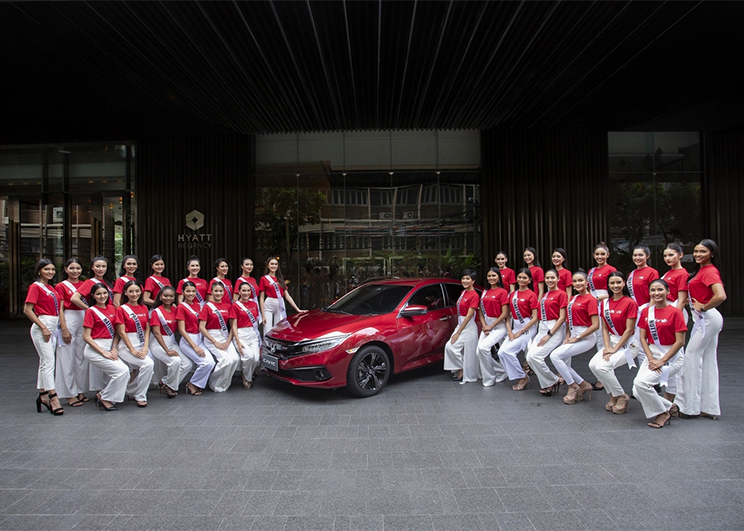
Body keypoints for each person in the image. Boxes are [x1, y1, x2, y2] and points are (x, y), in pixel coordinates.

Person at [674, 239, 727, 420]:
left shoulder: (709, 271)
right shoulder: (703, 271)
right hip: (706, 319)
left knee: (691, 357)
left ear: (712, 253)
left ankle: (688, 406)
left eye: (702, 251)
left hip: (707, 318)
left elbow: (721, 295)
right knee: (708, 360)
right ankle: (709, 407)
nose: (697, 254)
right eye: (696, 251)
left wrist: (703, 307)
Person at [633, 279, 686, 428]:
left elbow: (680, 342)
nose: (657, 293)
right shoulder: (645, 312)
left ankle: (662, 413)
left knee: (641, 383)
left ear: (668, 292)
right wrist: (650, 358)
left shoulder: (676, 312)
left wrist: (662, 361)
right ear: (649, 293)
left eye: (660, 290)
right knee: (637, 391)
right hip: (652, 356)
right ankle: (669, 406)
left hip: (672, 357)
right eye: (653, 290)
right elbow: (642, 338)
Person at [588, 271, 639, 414]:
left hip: (628, 345)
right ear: (608, 285)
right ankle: (614, 394)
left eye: (618, 282)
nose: (615, 285)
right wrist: (607, 347)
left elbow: (629, 330)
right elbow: (604, 327)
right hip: (612, 343)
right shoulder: (605, 303)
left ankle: (621, 396)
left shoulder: (630, 303)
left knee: (603, 368)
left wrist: (615, 349)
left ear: (624, 283)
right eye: (612, 283)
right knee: (593, 365)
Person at [550, 270, 599, 404]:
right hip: (573, 334)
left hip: (586, 337)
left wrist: (577, 338)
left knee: (555, 356)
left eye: (580, 281)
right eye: (575, 281)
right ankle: (582, 384)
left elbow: (595, 325)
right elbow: (569, 321)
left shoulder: (591, 300)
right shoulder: (573, 298)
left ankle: (573, 386)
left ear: (587, 283)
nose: (577, 283)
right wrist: (568, 336)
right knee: (560, 359)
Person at [24, 259, 64, 416]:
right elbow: (28, 310)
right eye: (47, 269)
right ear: (39, 270)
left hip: (52, 325)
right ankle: (53, 397)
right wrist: (43, 327)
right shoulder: (35, 287)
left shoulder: (50, 288)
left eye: (53, 269)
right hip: (43, 324)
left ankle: (43, 395)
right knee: (49, 363)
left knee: (44, 362)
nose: (50, 272)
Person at [70, 256, 115, 393]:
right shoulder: (89, 282)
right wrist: (89, 309)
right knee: (98, 353)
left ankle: (108, 388)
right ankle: (98, 390)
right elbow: (74, 298)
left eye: (103, 266)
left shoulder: (109, 283)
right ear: (92, 268)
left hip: (110, 318)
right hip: (98, 320)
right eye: (97, 266)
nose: (100, 269)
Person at [82, 283, 128, 411]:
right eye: (98, 294)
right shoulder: (91, 311)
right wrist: (103, 352)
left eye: (104, 293)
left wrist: (114, 348)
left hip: (110, 347)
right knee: (121, 371)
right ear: (93, 296)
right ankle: (105, 397)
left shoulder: (113, 309)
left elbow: (117, 332)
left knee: (124, 370)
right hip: (95, 349)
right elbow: (86, 336)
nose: (102, 296)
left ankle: (104, 395)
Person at [525, 269, 567, 396]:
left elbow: (562, 317)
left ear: (558, 279)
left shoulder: (562, 294)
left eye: (552, 278)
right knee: (529, 357)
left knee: (535, 357)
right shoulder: (545, 295)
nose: (549, 280)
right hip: (542, 328)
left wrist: (550, 334)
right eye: (547, 278)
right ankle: (549, 381)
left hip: (553, 329)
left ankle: (551, 381)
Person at [496, 268, 539, 391]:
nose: (521, 280)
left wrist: (520, 332)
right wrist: (509, 330)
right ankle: (520, 375)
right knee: (501, 352)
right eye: (519, 277)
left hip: (528, 328)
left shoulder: (532, 295)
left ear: (530, 280)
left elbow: (535, 318)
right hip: (515, 328)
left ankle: (522, 377)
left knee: (508, 352)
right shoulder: (513, 295)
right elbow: (508, 315)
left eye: (525, 278)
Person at [55, 258, 90, 407]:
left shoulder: (85, 284)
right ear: (65, 269)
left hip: (83, 317)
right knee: (66, 357)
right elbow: (60, 309)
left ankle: (80, 390)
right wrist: (64, 328)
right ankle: (69, 393)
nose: (75, 271)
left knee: (81, 357)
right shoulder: (61, 286)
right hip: (69, 317)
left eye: (78, 268)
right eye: (72, 268)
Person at [149, 286, 194, 398]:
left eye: (171, 296)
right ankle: (171, 387)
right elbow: (156, 333)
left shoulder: (175, 310)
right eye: (165, 295)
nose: (168, 298)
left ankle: (165, 381)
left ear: (174, 297)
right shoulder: (156, 312)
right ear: (160, 296)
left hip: (171, 342)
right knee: (175, 362)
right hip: (159, 343)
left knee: (187, 364)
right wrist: (167, 350)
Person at [115, 280, 154, 407]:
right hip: (126, 346)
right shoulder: (121, 309)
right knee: (148, 365)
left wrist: (145, 346)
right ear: (125, 292)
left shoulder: (143, 307)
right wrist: (132, 350)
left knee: (149, 368)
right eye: (131, 291)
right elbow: (121, 332)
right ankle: (140, 395)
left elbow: (147, 328)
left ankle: (129, 390)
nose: (134, 294)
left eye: (137, 291)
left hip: (141, 343)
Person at [660, 242, 689, 402]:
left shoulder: (682, 274)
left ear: (680, 255)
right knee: (668, 352)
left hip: (675, 313)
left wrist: (674, 317)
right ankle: (671, 394)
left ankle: (675, 397)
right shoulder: (668, 273)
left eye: (671, 255)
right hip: (667, 312)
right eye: (665, 255)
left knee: (676, 353)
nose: (668, 258)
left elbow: (682, 299)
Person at [176, 281, 215, 396]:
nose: (191, 293)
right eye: (188, 291)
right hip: (188, 341)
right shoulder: (181, 307)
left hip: (199, 339)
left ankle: (194, 383)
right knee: (204, 363)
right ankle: (192, 384)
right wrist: (195, 347)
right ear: (183, 292)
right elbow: (181, 330)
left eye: (193, 291)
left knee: (210, 362)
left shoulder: (199, 305)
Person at [199, 282, 240, 392]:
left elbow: (232, 325)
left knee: (235, 359)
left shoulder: (228, 306)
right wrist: (214, 342)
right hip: (211, 336)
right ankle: (213, 382)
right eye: (216, 291)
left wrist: (228, 341)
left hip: (225, 336)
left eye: (221, 291)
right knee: (225, 360)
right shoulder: (207, 307)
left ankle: (225, 383)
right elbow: (201, 327)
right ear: (211, 292)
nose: (218, 293)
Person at [443, 269, 480, 383]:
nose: (464, 280)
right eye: (463, 278)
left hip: (468, 327)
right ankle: (462, 368)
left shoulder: (474, 295)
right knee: (451, 347)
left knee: (451, 347)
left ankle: (463, 369)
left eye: (467, 279)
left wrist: (458, 332)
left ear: (473, 281)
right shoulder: (463, 292)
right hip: (461, 324)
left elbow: (469, 315)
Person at [475, 268, 510, 387]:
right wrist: (484, 324)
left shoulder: (502, 292)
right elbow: (480, 310)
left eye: (494, 275)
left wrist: (491, 326)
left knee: (483, 348)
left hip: (498, 326)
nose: (491, 278)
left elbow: (505, 313)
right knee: (478, 351)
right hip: (487, 324)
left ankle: (489, 378)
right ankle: (500, 371)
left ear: (499, 277)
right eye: (489, 276)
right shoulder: (485, 292)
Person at [259, 257, 306, 337]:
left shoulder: (280, 279)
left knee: (280, 328)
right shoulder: (264, 279)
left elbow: (287, 296)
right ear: (268, 265)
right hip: (269, 304)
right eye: (272, 264)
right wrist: (262, 314)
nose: (274, 266)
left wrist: (297, 309)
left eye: (275, 264)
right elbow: (261, 297)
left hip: (280, 303)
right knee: (267, 329)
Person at [231, 283, 262, 389]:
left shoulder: (254, 304)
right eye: (243, 291)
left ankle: (247, 373)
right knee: (248, 356)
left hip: (252, 334)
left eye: (248, 291)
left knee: (256, 359)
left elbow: (256, 321)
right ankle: (247, 377)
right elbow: (233, 325)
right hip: (241, 333)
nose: (246, 293)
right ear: (239, 292)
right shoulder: (235, 305)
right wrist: (237, 340)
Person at [588, 242, 617, 352]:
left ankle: (605, 354)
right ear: (594, 255)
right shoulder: (591, 271)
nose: (599, 257)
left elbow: (615, 289)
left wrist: (600, 298)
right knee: (597, 333)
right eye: (597, 254)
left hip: (605, 301)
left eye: (602, 254)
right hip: (593, 302)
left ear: (608, 255)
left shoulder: (611, 269)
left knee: (603, 331)